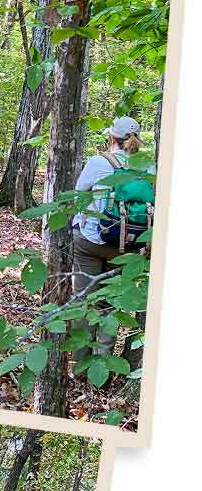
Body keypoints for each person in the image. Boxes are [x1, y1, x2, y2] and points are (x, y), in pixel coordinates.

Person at [70, 117, 150, 362]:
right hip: (128, 245)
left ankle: (79, 364)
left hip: (91, 241)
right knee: (110, 306)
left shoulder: (99, 162)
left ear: (112, 137)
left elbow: (79, 194)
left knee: (83, 302)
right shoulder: (149, 167)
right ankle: (103, 364)